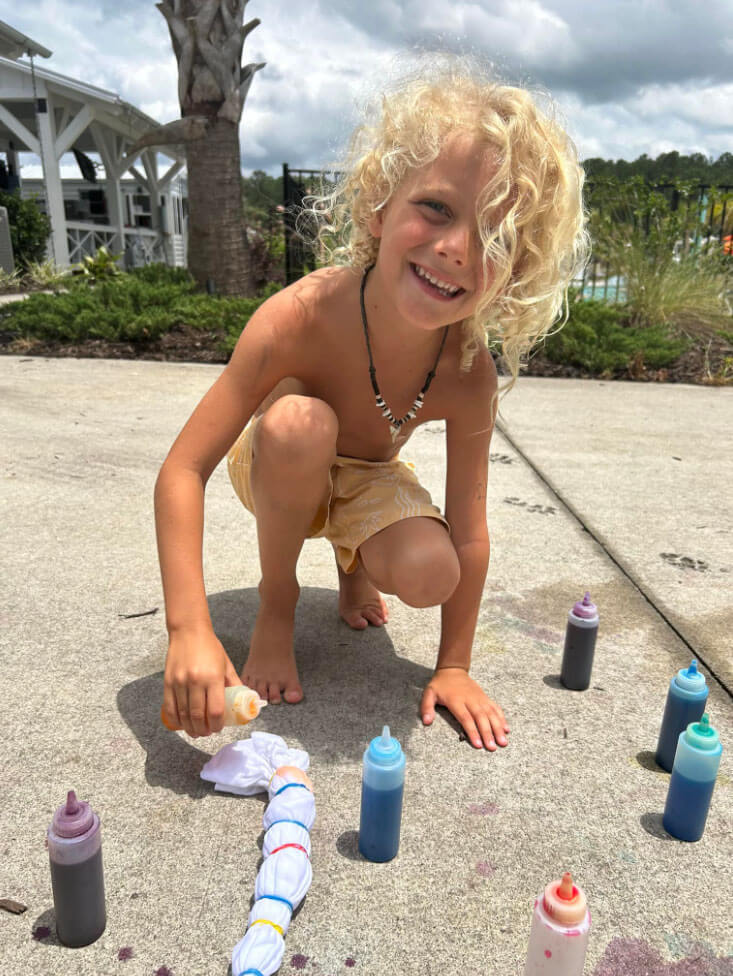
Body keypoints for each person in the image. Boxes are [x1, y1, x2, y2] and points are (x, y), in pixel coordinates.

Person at [154, 57, 589, 750]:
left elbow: (469, 533)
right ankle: (278, 601)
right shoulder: (298, 315)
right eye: (436, 208)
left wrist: (453, 665)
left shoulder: (467, 368)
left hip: (363, 472)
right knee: (303, 423)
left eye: (495, 234)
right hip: (275, 456)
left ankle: (351, 564)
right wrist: (190, 628)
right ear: (377, 205)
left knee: (431, 569)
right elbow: (181, 471)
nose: (456, 249)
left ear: (519, 264)